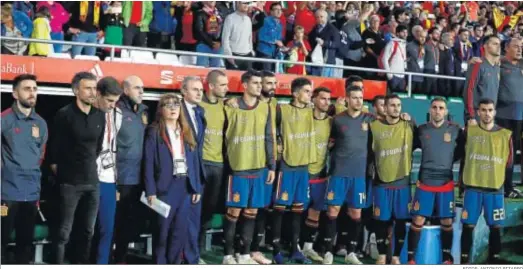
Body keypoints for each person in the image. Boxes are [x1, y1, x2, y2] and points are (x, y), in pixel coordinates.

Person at [49, 72, 106, 264]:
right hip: (69, 183)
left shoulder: (100, 116)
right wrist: (65, 177)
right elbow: (54, 154)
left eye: (94, 88)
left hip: (92, 182)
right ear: (76, 90)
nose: (92, 92)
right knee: (64, 232)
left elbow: (97, 148)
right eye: (87, 88)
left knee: (88, 231)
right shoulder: (64, 115)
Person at [222, 70, 276, 264]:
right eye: (255, 83)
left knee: (252, 212)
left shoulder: (265, 108)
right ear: (244, 85)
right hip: (238, 167)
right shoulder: (230, 106)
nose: (259, 86)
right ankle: (228, 255)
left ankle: (244, 254)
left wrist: (271, 166)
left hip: (259, 166)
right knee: (234, 212)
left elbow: (270, 137)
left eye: (260, 83)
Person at [143, 93, 203, 264]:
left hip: (184, 186)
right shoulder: (154, 131)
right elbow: (147, 163)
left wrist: (196, 186)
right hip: (164, 188)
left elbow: (194, 161)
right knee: (162, 232)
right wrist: (151, 191)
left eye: (176, 105)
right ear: (161, 110)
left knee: (179, 232)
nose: (173, 109)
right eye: (168, 105)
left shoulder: (186, 131)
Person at [408, 97, 464, 265]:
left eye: (441, 108)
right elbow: (408, 147)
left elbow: (461, 150)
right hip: (425, 181)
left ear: (446, 111)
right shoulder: (421, 130)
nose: (438, 110)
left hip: (445, 182)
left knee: (446, 221)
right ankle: (411, 258)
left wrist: (446, 161)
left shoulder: (455, 130)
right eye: (435, 107)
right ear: (430, 110)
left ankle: (447, 258)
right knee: (418, 219)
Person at [323, 85, 374, 265]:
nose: (358, 101)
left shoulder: (370, 119)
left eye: (361, 97)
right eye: (354, 97)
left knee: (355, 213)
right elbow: (328, 142)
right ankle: (328, 251)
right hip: (338, 173)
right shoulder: (336, 120)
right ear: (347, 99)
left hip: (358, 175)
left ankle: (351, 252)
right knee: (332, 211)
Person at [1, 74, 47, 264]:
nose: (32, 93)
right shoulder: (4, 119)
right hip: (6, 194)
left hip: (31, 193)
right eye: (27, 88)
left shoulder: (41, 123)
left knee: (25, 243)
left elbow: (41, 155)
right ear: (14, 93)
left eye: (34, 89)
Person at [460, 98, 512, 264]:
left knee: (495, 228)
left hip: (495, 189)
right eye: (483, 110)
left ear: (494, 112)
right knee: (468, 226)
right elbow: (462, 157)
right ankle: (463, 262)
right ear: (478, 112)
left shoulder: (505, 135)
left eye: (490, 110)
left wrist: (507, 186)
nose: (487, 113)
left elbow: (509, 163)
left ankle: (494, 263)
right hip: (473, 187)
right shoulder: (469, 131)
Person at [271, 77, 315, 264]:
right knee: (280, 210)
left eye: (310, 91)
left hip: (303, 167)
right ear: (295, 93)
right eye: (306, 91)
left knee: (298, 211)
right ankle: (275, 250)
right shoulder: (282, 110)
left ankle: (295, 249)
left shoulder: (312, 110)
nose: (309, 95)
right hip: (286, 166)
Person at [370, 94, 416, 265]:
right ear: (385, 108)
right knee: (381, 220)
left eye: (399, 105)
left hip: (402, 183)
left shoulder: (409, 125)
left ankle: (396, 256)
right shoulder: (374, 127)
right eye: (392, 105)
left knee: (401, 220)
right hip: (381, 182)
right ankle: (382, 255)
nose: (396, 108)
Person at [113, 76, 149, 264]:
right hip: (120, 178)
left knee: (130, 223)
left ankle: (121, 258)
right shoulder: (116, 111)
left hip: (139, 178)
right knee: (115, 222)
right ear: (126, 90)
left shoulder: (144, 111)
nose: (141, 91)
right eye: (137, 88)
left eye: (142, 88)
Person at [90, 77, 123, 264]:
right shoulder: (88, 112)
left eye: (115, 101)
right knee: (87, 228)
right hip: (88, 177)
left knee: (107, 228)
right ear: (98, 94)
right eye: (109, 100)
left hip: (109, 177)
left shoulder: (117, 115)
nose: (112, 105)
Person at [198, 70, 229, 263]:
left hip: (218, 165)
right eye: (223, 85)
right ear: (211, 86)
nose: (227, 88)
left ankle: (197, 252)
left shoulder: (226, 107)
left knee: (208, 211)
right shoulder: (198, 105)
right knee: (194, 210)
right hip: (200, 164)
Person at [301, 87, 332, 264]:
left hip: (320, 174)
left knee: (315, 212)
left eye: (329, 99)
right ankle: (294, 245)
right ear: (314, 99)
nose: (327, 102)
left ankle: (308, 246)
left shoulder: (331, 122)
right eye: (323, 99)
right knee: (296, 211)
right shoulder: (304, 118)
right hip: (302, 172)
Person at [463, 35, 501, 125]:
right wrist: (470, 116)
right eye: (495, 44)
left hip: (491, 116)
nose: (498, 47)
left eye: (499, 44)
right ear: (485, 46)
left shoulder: (497, 67)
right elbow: (469, 90)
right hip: (477, 116)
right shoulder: (477, 64)